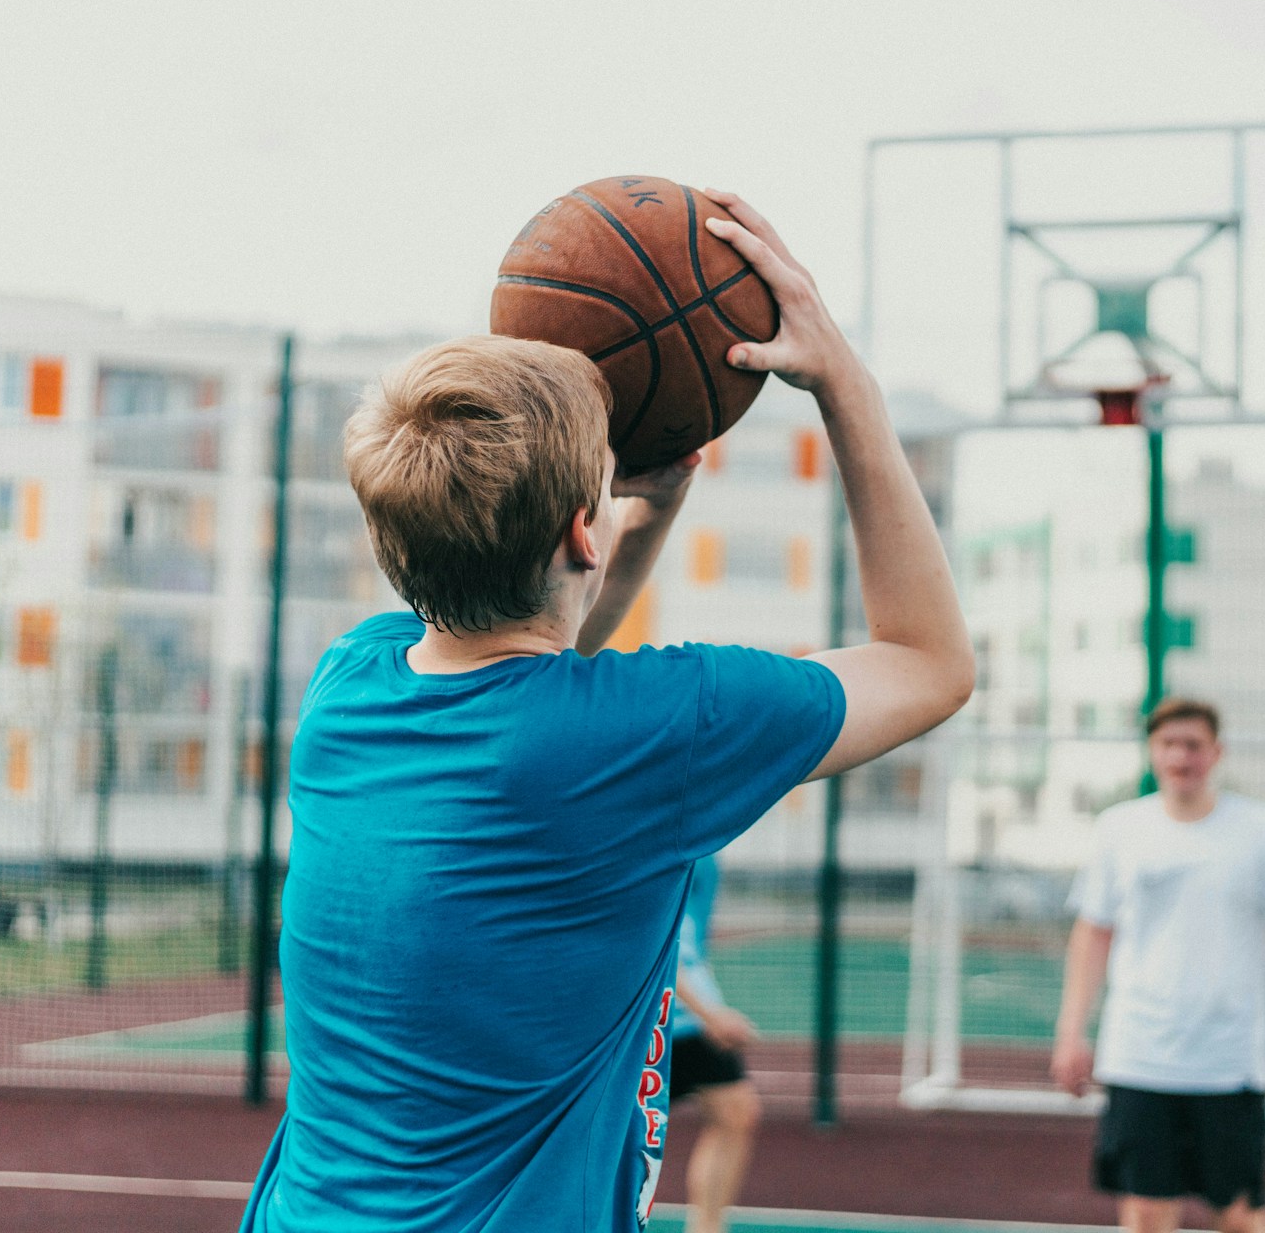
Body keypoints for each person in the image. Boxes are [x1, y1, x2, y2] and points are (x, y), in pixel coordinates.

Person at [240, 192, 974, 1233]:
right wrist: (843, 380)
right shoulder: (654, 728)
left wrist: (637, 522)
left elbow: (530, 674)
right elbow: (928, 659)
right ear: (581, 529)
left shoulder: (351, 684)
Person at [1050, 697, 1265, 1233]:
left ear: (1216, 753)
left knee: (1241, 1214)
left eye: (1193, 745)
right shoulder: (1120, 829)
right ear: (1152, 752)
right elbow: (1093, 933)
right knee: (1147, 1212)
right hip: (1140, 1055)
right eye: (1169, 744)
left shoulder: (1260, 829)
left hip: (1229, 1059)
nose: (1181, 756)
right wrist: (1071, 1030)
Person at [665, 852, 760, 1233]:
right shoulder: (652, 843)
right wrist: (712, 1016)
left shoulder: (706, 860)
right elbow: (654, 948)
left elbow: (691, 945)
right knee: (612, 1137)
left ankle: (707, 1226)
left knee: (735, 1111)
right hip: (649, 1023)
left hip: (689, 1021)